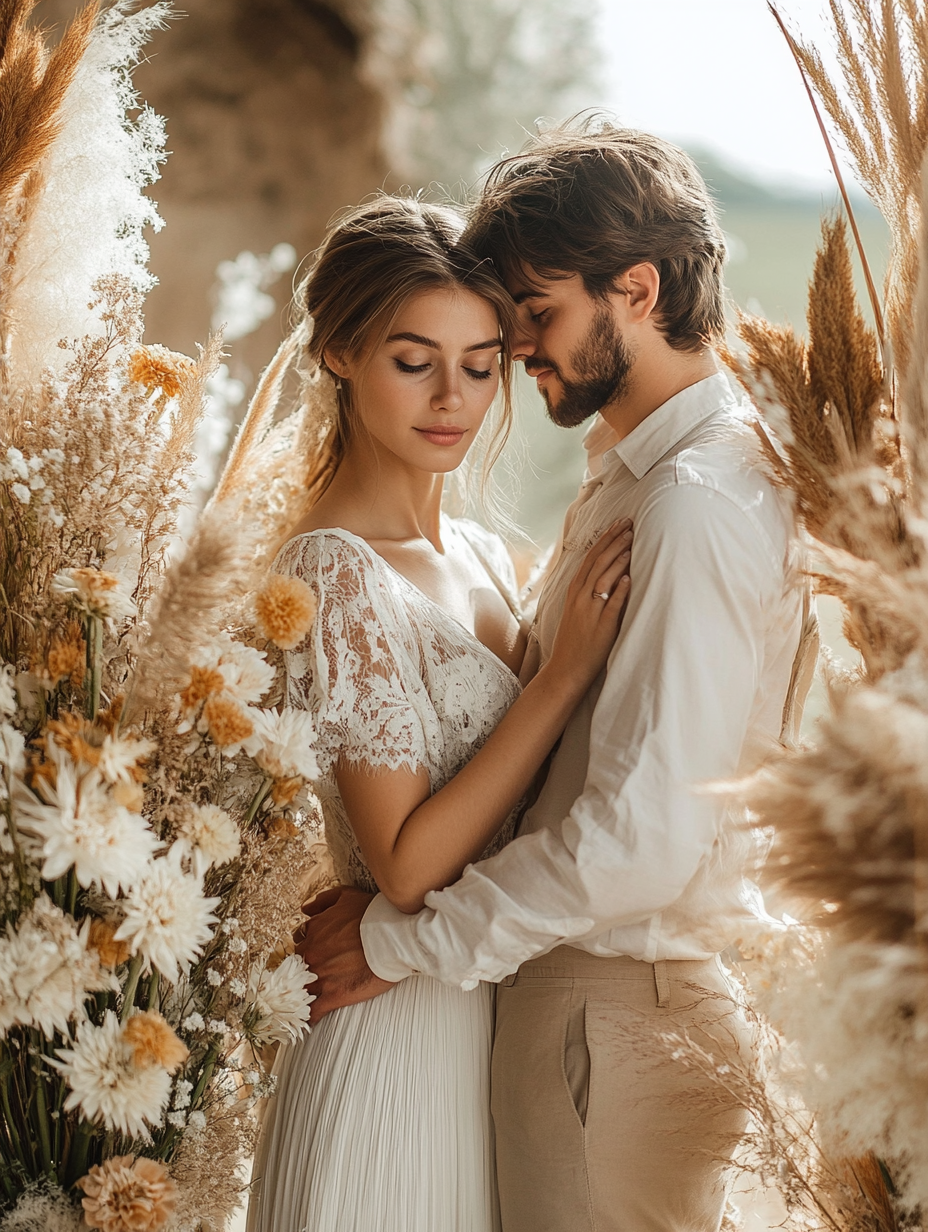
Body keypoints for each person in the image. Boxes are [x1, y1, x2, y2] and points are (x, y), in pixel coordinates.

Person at [296, 122, 811, 1232]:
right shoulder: (634, 481)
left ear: (635, 288)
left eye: (534, 320)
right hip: (542, 1011)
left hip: (605, 1012)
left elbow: (641, 835)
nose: (517, 357)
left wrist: (400, 937)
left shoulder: (691, 499)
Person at [245, 196, 633, 1232]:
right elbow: (407, 863)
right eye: (413, 360)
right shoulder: (330, 571)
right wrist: (556, 681)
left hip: (484, 1015)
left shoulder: (474, 552)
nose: (451, 397)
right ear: (339, 351)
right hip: (392, 1036)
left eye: (479, 362)